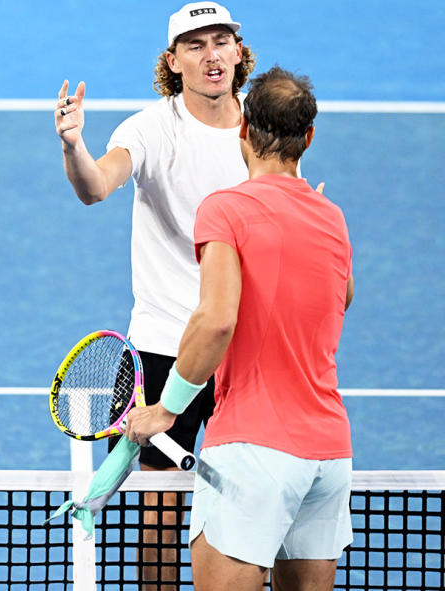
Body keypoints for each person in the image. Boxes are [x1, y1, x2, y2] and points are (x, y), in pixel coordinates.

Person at [125, 66, 354, 591]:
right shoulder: (331, 216)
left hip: (253, 455)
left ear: (244, 130)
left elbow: (216, 319)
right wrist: (307, 215)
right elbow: (341, 296)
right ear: (309, 137)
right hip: (328, 455)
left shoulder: (226, 209)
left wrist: (166, 409)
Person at [54, 2, 254, 587]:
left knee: (250, 502)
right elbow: (97, 187)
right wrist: (73, 147)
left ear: (238, 54)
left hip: (246, 346)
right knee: (160, 513)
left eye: (221, 42)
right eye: (195, 46)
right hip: (167, 345)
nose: (211, 54)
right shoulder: (149, 128)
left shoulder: (261, 129)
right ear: (174, 61)